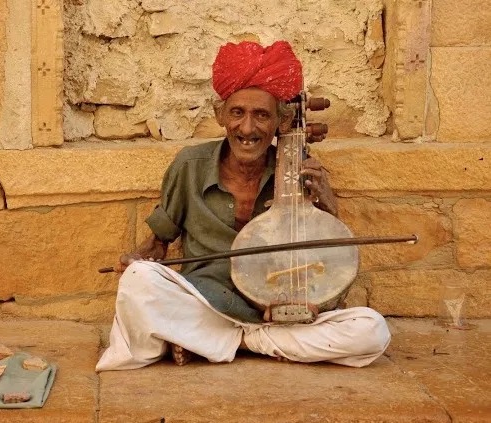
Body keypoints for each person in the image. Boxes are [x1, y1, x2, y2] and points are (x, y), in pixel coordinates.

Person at [96, 41, 391, 371]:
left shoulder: (298, 167)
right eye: (237, 113)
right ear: (220, 115)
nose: (247, 129)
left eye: (261, 115)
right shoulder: (190, 166)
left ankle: (233, 341)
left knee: (371, 331)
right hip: (207, 302)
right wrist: (138, 262)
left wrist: (328, 204)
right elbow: (156, 246)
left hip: (277, 311)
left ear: (282, 121)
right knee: (139, 281)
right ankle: (239, 339)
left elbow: (329, 258)